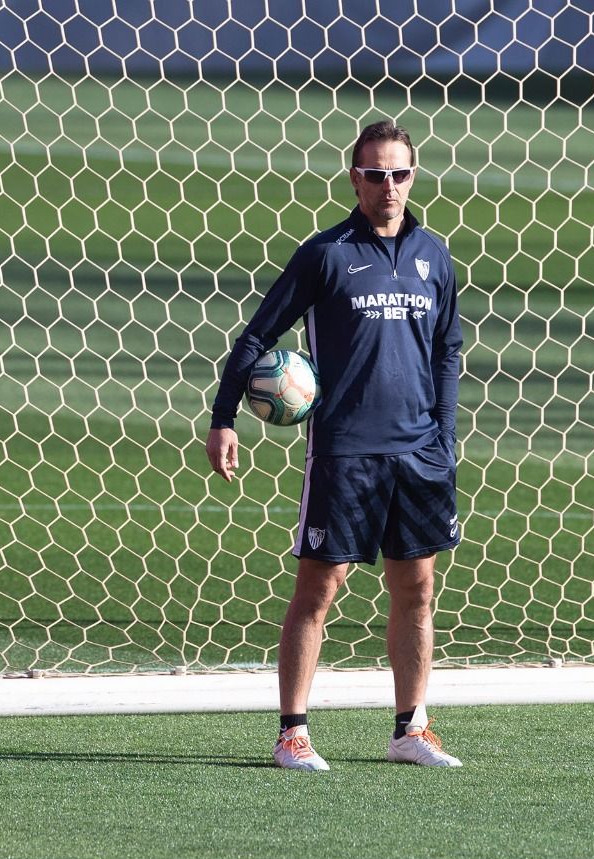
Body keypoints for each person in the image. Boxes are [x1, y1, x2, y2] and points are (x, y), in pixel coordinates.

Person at [205, 119, 464, 770]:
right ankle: (292, 733)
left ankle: (411, 727)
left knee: (418, 589)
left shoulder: (435, 254)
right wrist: (224, 415)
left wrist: (445, 436)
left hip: (420, 454)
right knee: (318, 590)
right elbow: (256, 337)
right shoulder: (326, 254)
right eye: (374, 174)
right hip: (345, 451)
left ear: (414, 175)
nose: (387, 185)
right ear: (354, 179)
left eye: (399, 173)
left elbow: (447, 351)